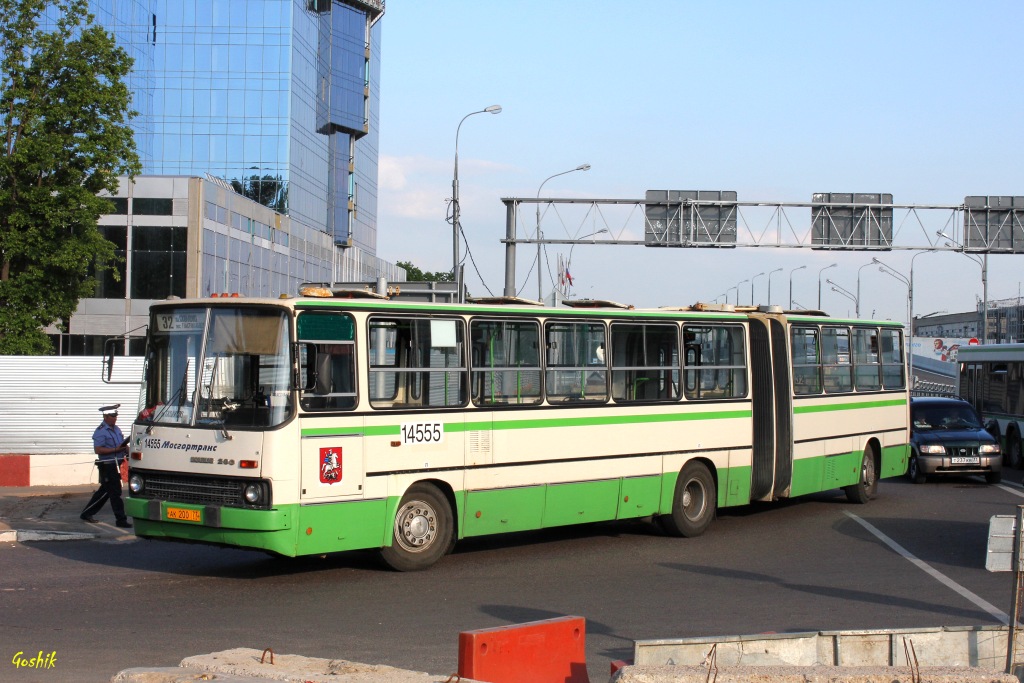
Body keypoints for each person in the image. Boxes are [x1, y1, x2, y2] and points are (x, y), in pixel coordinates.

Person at [80, 404, 132, 528]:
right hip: (107, 465)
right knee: (115, 493)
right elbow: (98, 449)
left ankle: (87, 513)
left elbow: (121, 444)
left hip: (117, 463)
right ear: (106, 416)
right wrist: (116, 449)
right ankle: (121, 520)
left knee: (105, 492)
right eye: (113, 416)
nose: (115, 418)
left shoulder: (117, 429)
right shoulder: (101, 431)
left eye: (116, 416)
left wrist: (127, 450)